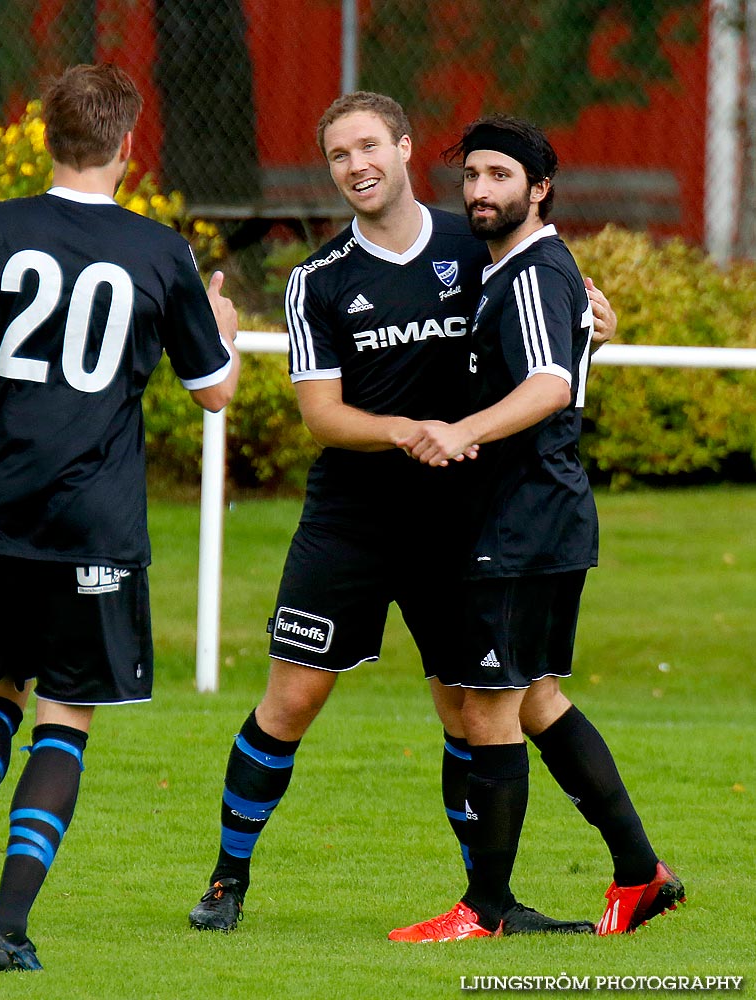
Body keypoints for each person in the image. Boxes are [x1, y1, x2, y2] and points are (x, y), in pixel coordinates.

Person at [184, 92, 619, 937]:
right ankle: (226, 879)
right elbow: (320, 414)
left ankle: (480, 901)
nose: (355, 166)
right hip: (350, 519)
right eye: (338, 155)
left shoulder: (482, 244)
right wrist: (401, 430)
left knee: (467, 706)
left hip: (462, 523)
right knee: (293, 700)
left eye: (367, 147)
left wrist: (595, 324)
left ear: (405, 148)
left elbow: (546, 331)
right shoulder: (317, 280)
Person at [0, 62, 240, 972]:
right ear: (127, 144)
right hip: (94, 520)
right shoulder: (157, 251)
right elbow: (213, 395)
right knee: (66, 715)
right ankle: (6, 928)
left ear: (46, 139)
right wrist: (225, 330)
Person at [391, 115, 682, 941]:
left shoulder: (527, 272)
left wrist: (462, 430)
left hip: (518, 523)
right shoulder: (528, 270)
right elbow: (564, 359)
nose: (480, 191)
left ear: (538, 188)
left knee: (490, 707)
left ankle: (483, 911)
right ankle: (640, 873)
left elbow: (549, 385)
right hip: (534, 519)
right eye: (472, 176)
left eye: (499, 176)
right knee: (535, 700)